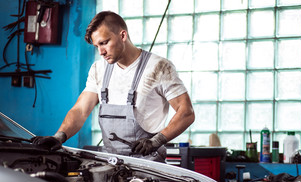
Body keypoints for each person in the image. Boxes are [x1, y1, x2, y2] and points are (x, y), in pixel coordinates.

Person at [32, 11, 195, 162]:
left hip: (149, 166)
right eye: (97, 46)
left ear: (122, 35)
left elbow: (186, 113)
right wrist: (59, 137)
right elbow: (81, 110)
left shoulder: (159, 67)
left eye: (104, 43)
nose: (101, 52)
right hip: (111, 163)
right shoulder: (98, 69)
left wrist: (156, 141)